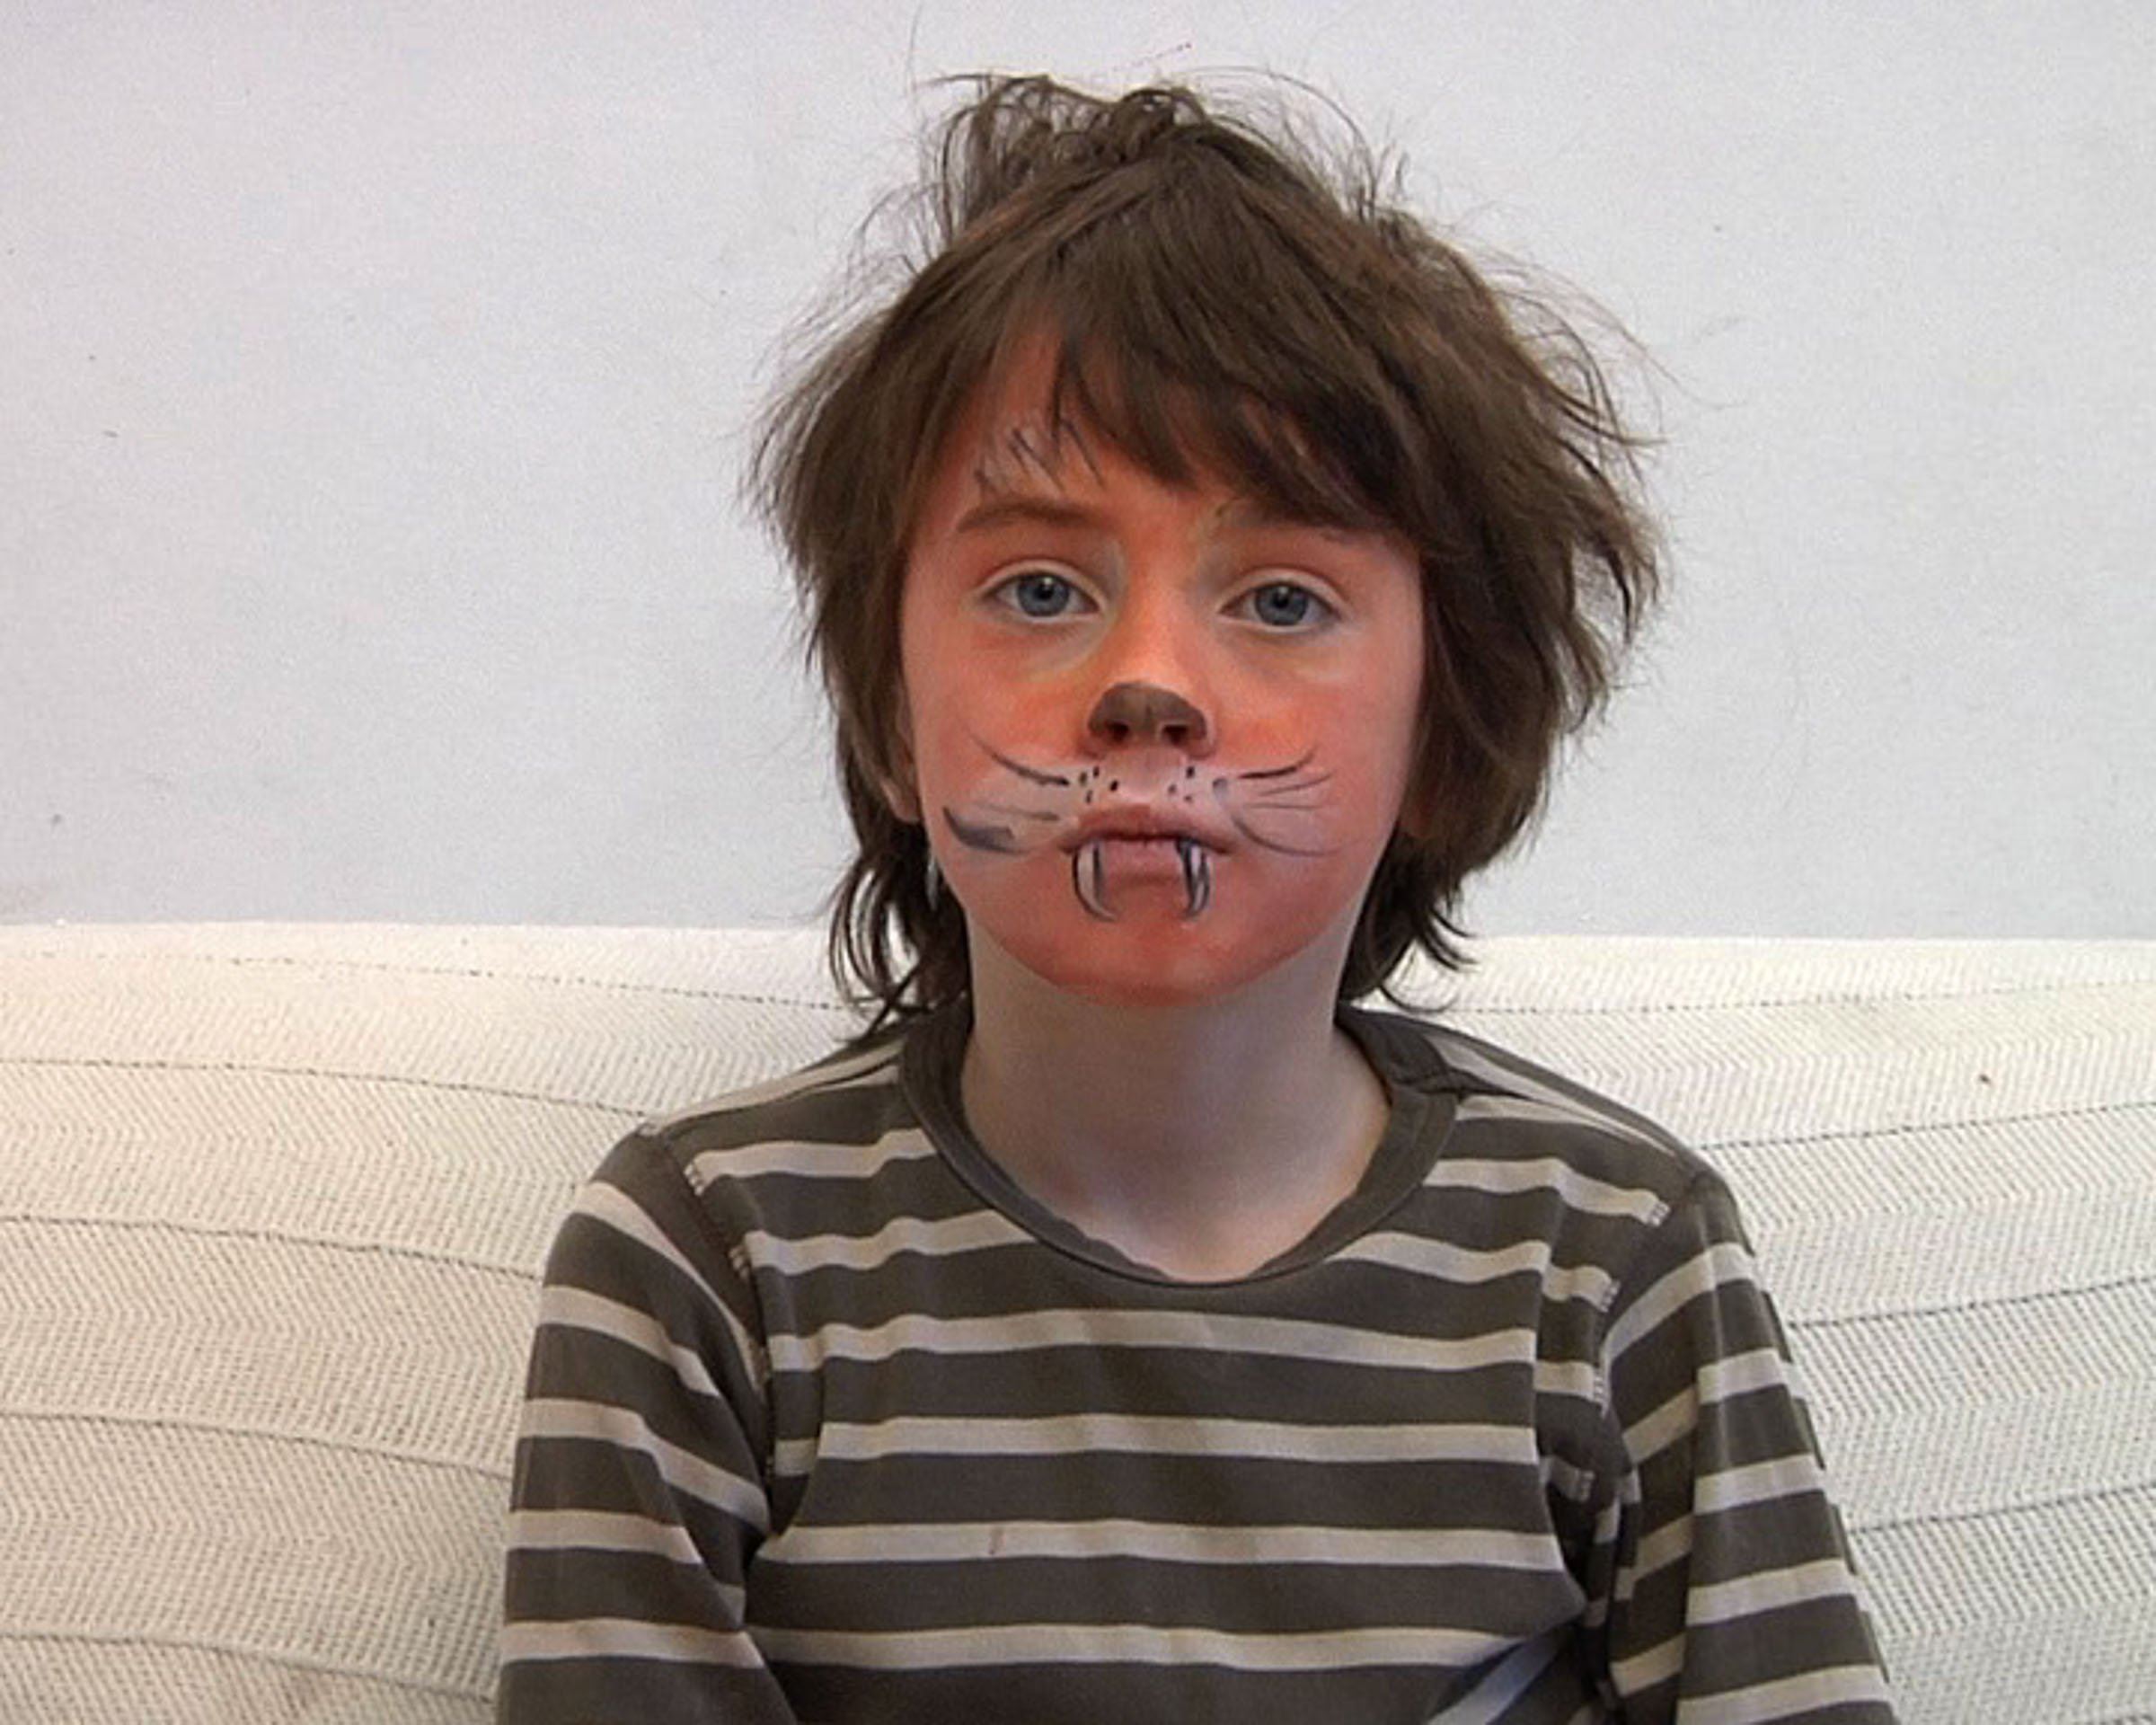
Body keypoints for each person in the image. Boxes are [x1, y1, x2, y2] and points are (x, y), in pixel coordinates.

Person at [497, 75, 1895, 1722]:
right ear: (888, 720)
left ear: (1445, 737)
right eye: (1038, 587)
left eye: (1283, 597)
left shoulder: (1604, 1260)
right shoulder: (709, 1265)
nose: (1148, 686)